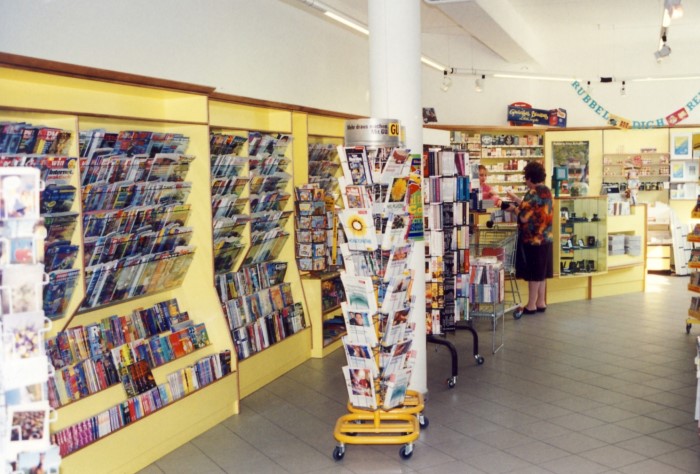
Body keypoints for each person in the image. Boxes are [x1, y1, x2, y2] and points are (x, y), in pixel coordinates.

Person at [503, 161, 553, 315]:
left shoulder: (532, 193)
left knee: (534, 274)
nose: (525, 180)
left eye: (526, 177)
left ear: (530, 177)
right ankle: (540, 302)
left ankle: (531, 305)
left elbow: (524, 217)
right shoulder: (546, 191)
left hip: (533, 238)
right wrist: (516, 199)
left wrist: (513, 209)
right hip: (546, 237)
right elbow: (532, 207)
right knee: (542, 272)